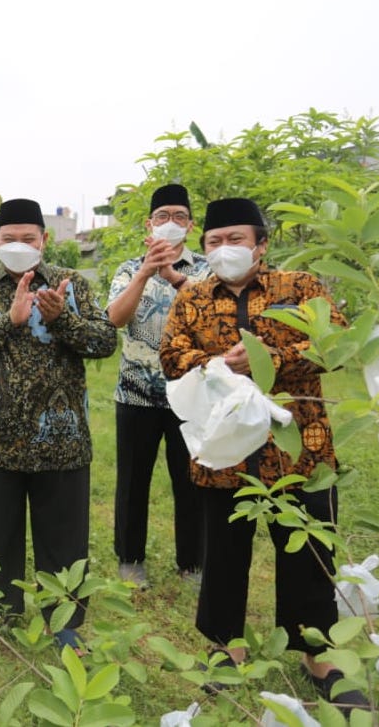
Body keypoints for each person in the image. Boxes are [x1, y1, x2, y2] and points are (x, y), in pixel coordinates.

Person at [159, 197, 369, 708]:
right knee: (223, 553)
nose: (224, 249)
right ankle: (224, 650)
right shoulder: (192, 297)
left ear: (260, 244)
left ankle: (317, 653)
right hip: (226, 450)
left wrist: (268, 358)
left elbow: (335, 344)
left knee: (307, 550)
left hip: (297, 449)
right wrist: (217, 362)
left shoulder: (299, 288)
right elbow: (171, 356)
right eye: (214, 241)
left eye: (235, 239)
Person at [0, 198, 117, 655]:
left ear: (43, 240)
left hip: (61, 439)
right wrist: (9, 320)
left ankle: (64, 621)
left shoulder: (70, 283)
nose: (18, 245)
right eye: (9, 238)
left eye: (27, 238)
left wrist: (63, 320)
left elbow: (104, 340)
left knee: (63, 538)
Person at [105, 183, 210, 588]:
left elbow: (211, 318)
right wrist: (148, 272)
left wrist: (173, 276)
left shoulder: (205, 269)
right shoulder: (129, 269)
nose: (170, 223)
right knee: (132, 481)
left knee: (191, 482)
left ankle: (192, 563)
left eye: (179, 217)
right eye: (163, 216)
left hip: (191, 395)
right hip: (135, 394)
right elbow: (114, 318)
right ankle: (130, 559)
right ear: (149, 224)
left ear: (190, 225)